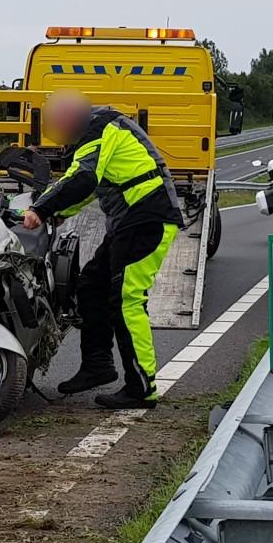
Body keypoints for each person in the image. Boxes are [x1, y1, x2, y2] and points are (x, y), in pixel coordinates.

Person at [23, 90, 183, 410]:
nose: (58, 134)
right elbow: (89, 187)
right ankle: (98, 365)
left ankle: (142, 387)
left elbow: (83, 178)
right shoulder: (98, 129)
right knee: (90, 286)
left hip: (146, 218)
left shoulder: (100, 126)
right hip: (130, 221)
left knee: (127, 301)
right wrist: (55, 213)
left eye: (58, 125)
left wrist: (41, 209)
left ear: (70, 117)